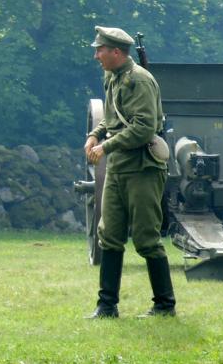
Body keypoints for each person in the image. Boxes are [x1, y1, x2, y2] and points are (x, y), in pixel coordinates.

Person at [85, 26, 175, 318]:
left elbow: (142, 127)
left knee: (146, 237)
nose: (96, 55)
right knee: (109, 235)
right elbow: (113, 118)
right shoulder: (113, 77)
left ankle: (164, 305)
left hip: (143, 169)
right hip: (118, 169)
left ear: (116, 52)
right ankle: (106, 306)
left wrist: (106, 146)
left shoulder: (140, 80)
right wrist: (95, 135)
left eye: (100, 50)